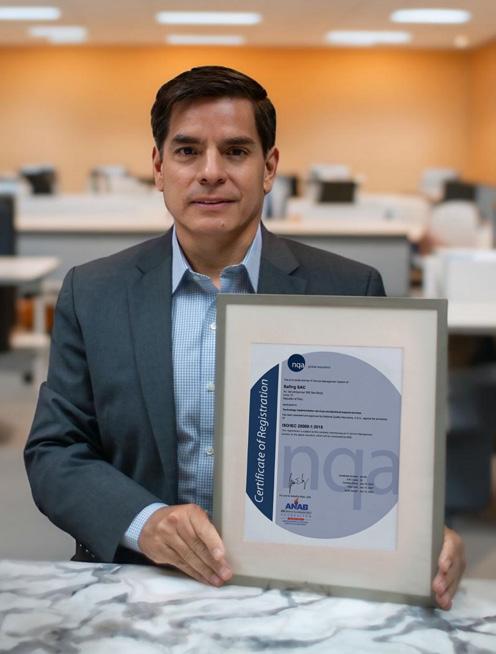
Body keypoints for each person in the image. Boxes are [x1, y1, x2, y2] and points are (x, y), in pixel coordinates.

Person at [24, 65, 464, 609]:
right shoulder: (94, 292)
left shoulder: (347, 288)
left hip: (303, 588)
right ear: (159, 168)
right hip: (138, 583)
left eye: (235, 151)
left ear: (269, 167)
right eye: (188, 152)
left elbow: (385, 454)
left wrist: (424, 532)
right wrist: (146, 522)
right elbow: (56, 451)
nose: (211, 172)